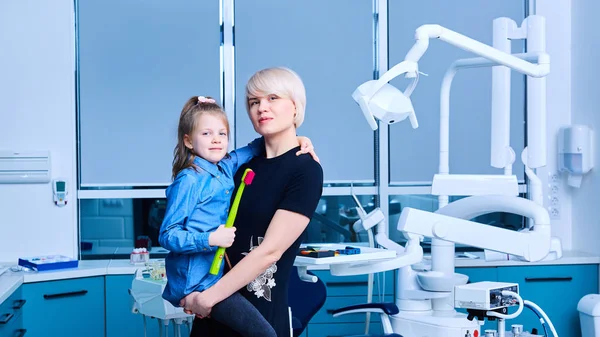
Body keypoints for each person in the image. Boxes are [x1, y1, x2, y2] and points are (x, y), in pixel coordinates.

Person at [158, 95, 318, 337]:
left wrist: (300, 139)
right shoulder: (189, 180)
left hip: (214, 279)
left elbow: (256, 146)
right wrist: (210, 239)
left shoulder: (226, 166)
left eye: (222, 134)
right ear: (188, 141)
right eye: (206, 134)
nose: (216, 140)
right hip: (197, 284)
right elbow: (167, 235)